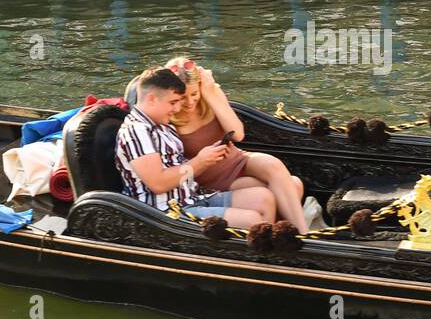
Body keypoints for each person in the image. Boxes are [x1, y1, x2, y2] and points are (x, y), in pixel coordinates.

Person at [115, 67, 276, 227]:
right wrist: (200, 161)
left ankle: (271, 249)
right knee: (252, 220)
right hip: (168, 212)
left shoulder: (164, 126)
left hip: (192, 197)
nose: (177, 109)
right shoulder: (136, 131)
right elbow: (158, 183)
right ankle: (260, 248)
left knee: (264, 198)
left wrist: (211, 156)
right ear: (151, 99)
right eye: (173, 102)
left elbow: (179, 166)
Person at [164, 58, 307, 231]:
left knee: (275, 167)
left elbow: (237, 133)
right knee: (292, 186)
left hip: (237, 159)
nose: (190, 102)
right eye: (183, 97)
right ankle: (276, 235)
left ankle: (302, 234)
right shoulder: (168, 114)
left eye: (194, 94)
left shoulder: (210, 94)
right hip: (212, 181)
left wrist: (210, 94)